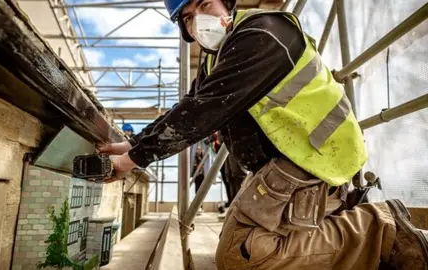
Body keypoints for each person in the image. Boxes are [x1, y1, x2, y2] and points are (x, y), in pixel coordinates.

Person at [97, 0, 428, 269]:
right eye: (186, 17)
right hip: (285, 161)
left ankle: (381, 229)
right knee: (237, 245)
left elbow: (204, 110)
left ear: (225, 3)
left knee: (240, 255)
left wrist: (133, 159)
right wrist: (134, 143)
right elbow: (189, 105)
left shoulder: (261, 34)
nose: (198, 21)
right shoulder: (215, 58)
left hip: (314, 156)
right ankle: (339, 219)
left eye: (204, 5)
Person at [212, 131, 246, 210]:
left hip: (236, 152)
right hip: (228, 153)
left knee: (238, 177)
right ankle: (233, 203)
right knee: (230, 178)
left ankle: (238, 204)